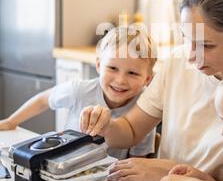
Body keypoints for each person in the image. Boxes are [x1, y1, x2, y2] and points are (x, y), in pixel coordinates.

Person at [80, 0, 223, 181]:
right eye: (187, 39)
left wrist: (173, 172)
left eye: (206, 45)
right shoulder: (178, 60)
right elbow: (132, 131)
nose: (190, 56)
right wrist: (107, 126)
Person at [0, 27, 157, 160]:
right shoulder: (79, 91)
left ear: (147, 79)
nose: (120, 80)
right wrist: (11, 121)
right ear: (98, 65)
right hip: (64, 165)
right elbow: (43, 100)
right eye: (112, 68)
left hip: (109, 180)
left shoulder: (146, 111)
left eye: (132, 73)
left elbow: (139, 159)